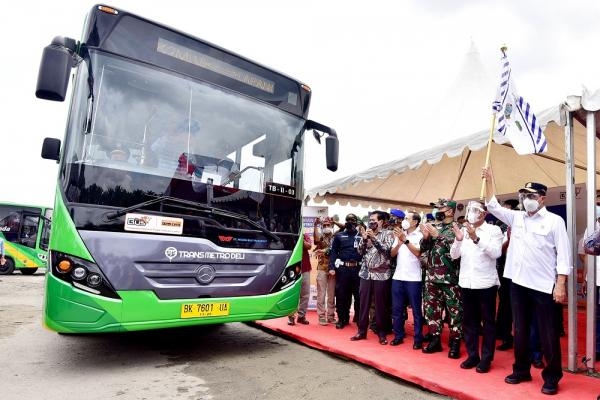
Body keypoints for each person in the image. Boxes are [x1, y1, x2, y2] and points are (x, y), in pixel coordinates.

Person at [482, 167, 571, 396]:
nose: (526, 200)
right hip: (518, 283)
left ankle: (552, 377)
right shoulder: (517, 217)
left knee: (548, 333)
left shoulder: (554, 221)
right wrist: (490, 180)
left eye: (531, 196)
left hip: (543, 286)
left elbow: (564, 255)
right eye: (524, 196)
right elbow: (492, 205)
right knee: (519, 330)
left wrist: (560, 284)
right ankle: (521, 370)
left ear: (542, 198)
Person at [450, 200, 503, 373]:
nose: (470, 212)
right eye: (469, 209)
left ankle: (486, 358)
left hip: (486, 283)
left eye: (475, 210)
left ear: (484, 214)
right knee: (469, 321)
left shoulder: (493, 230)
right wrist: (458, 240)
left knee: (487, 322)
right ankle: (473, 355)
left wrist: (476, 238)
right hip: (466, 282)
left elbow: (496, 253)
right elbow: (454, 255)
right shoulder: (463, 230)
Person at [420, 199, 462, 359]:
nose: (438, 211)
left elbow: (457, 249)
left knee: (455, 313)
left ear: (451, 211)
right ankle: (435, 339)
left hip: (451, 279)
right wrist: (425, 238)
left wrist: (438, 236)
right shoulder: (434, 227)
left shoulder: (458, 228)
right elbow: (423, 250)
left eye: (441, 208)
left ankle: (455, 342)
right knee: (432, 311)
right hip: (432, 278)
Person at [350, 210, 395, 345]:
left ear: (381, 221)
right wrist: (364, 239)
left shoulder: (388, 234)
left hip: (381, 275)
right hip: (365, 273)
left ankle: (381, 333)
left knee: (381, 305)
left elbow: (386, 251)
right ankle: (361, 331)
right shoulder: (365, 234)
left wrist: (374, 239)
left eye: (374, 220)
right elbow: (359, 252)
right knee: (363, 303)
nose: (371, 222)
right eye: (370, 220)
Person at [390, 211, 424, 348]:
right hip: (398, 277)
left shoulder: (421, 235)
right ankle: (398, 335)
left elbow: (418, 253)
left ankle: (418, 339)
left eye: (407, 218)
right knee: (397, 309)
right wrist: (398, 243)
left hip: (414, 278)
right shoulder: (399, 234)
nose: (404, 220)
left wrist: (406, 240)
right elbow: (392, 254)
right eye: (404, 218)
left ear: (415, 222)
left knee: (416, 310)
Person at [329, 213, 362, 329]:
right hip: (343, 270)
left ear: (356, 222)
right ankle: (342, 319)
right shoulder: (339, 236)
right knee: (342, 295)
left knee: (358, 295)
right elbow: (333, 252)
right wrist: (332, 267)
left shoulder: (362, 236)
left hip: (358, 269)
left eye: (353, 220)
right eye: (348, 220)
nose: (350, 222)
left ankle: (359, 318)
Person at [495, 198, 519, 351]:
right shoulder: (502, 227)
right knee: (505, 306)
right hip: (505, 271)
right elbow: (499, 251)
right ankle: (505, 336)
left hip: (523, 273)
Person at [313, 217, 337, 325]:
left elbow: (344, 227)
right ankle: (321, 316)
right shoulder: (321, 238)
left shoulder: (335, 237)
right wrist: (315, 226)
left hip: (332, 269)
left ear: (331, 226)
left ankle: (331, 316)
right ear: (322, 227)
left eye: (328, 225)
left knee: (331, 294)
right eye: (324, 226)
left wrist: (335, 222)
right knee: (321, 293)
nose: (326, 227)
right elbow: (316, 240)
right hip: (322, 268)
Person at [288, 232, 312, 325]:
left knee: (305, 294)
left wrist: (300, 238)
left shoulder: (304, 235)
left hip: (305, 269)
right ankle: (291, 317)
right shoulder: (290, 235)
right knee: (292, 295)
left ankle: (301, 316)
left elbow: (309, 246)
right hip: (293, 269)